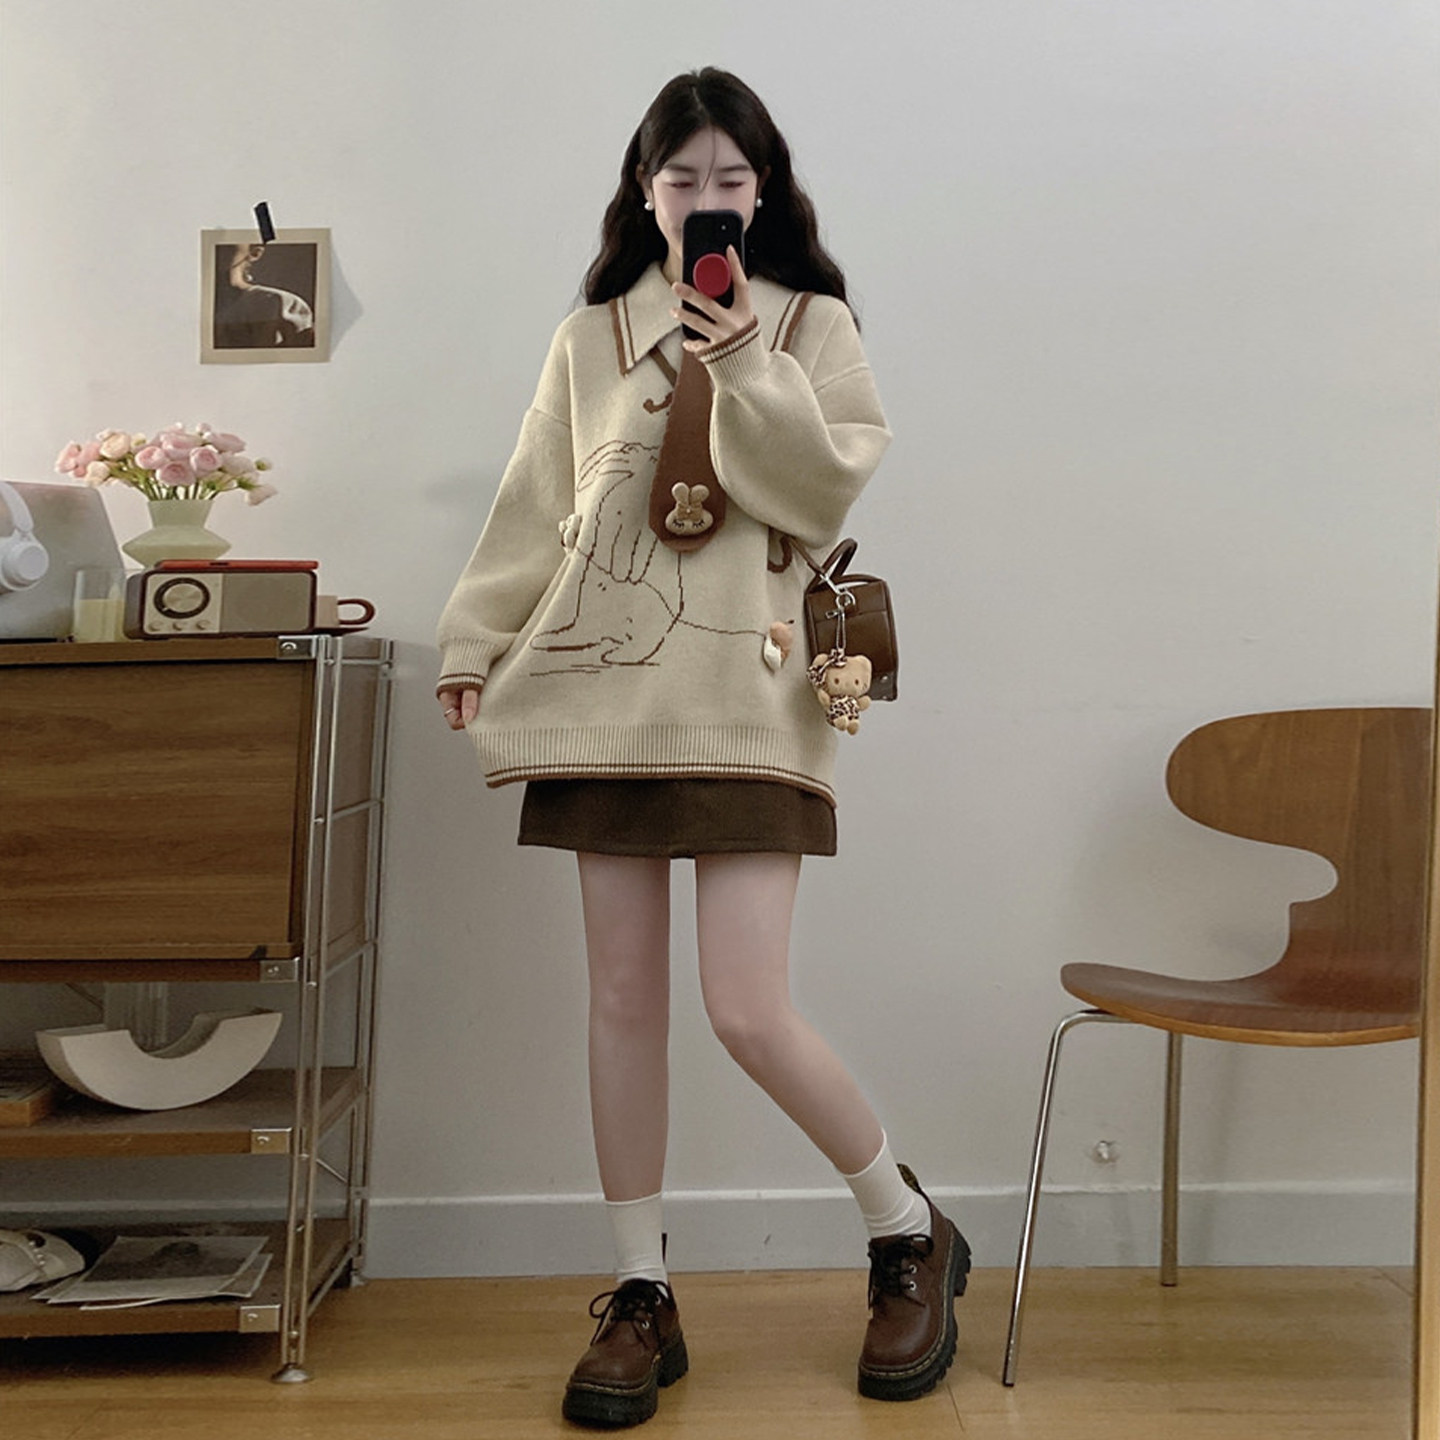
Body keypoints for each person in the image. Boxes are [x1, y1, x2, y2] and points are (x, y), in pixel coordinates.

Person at [436, 68, 968, 1428]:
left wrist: (740, 362)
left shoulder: (810, 326)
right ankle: (639, 1288)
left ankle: (905, 1225)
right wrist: (472, 639)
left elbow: (818, 488)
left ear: (765, 191)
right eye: (683, 180)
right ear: (645, 190)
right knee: (621, 999)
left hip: (752, 693)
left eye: (732, 179)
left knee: (745, 1007)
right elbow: (536, 504)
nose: (706, 199)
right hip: (601, 698)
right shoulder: (589, 338)